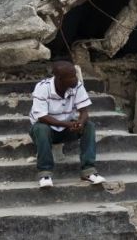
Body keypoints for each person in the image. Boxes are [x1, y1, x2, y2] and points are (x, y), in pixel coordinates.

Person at [29, 60, 106, 188]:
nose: (75, 79)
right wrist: (68, 125)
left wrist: (80, 122)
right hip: (46, 130)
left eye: (75, 75)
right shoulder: (43, 88)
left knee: (89, 126)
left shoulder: (77, 86)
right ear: (59, 78)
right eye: (71, 77)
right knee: (41, 129)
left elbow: (84, 112)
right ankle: (45, 174)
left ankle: (88, 171)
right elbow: (42, 117)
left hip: (66, 129)